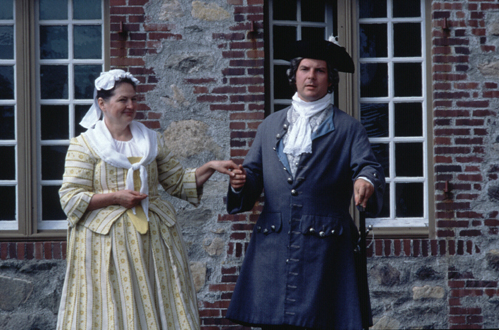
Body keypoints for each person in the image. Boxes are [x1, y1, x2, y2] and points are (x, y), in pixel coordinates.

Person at [56, 69, 238, 330]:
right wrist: (115, 197)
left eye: (134, 99)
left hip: (154, 243)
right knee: (112, 310)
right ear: (102, 104)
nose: (130, 106)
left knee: (160, 302)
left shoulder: (151, 141)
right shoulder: (85, 145)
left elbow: (177, 181)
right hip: (106, 246)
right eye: (122, 100)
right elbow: (70, 198)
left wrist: (209, 166)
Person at [226, 39, 386, 330]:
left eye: (320, 71)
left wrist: (366, 181)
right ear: (294, 75)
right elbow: (251, 176)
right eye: (305, 69)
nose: (311, 76)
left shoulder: (349, 128)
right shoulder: (269, 126)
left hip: (325, 251)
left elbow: (368, 166)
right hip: (273, 246)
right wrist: (240, 182)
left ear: (331, 79)